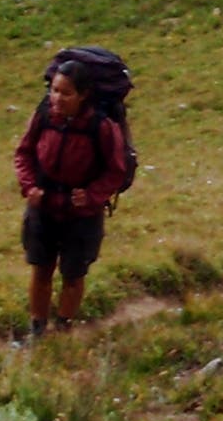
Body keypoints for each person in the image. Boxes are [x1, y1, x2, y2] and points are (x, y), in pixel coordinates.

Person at [13, 50, 135, 337]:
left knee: (73, 274)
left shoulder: (101, 127)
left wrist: (92, 196)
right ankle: (38, 330)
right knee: (40, 269)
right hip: (43, 207)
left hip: (82, 215)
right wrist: (29, 186)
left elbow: (116, 170)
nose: (57, 99)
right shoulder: (43, 115)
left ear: (83, 95)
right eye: (54, 90)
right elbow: (24, 153)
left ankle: (64, 328)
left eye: (65, 93)